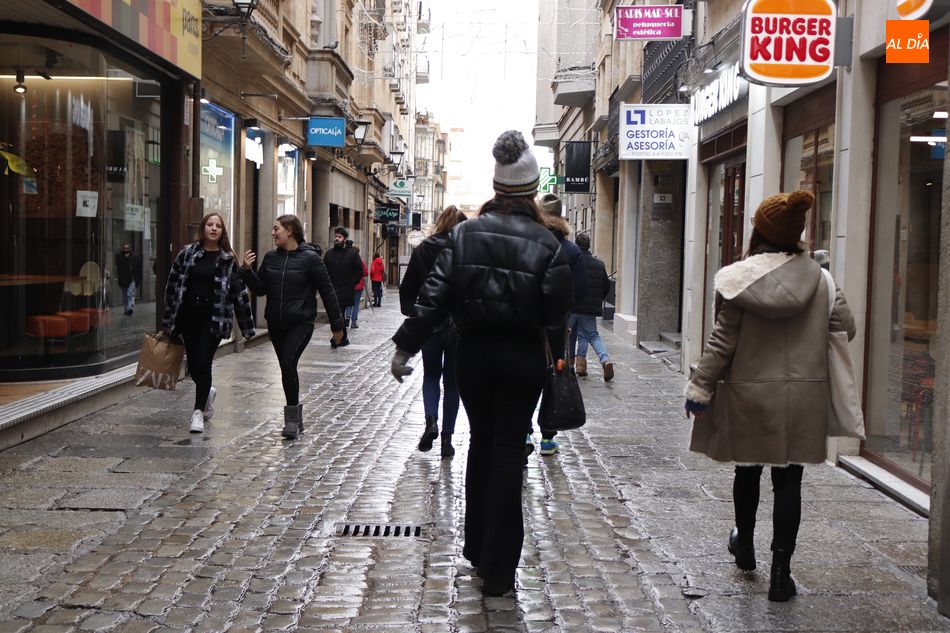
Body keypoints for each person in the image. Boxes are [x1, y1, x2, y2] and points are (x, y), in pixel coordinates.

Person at [391, 130, 573, 596]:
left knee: (482, 445)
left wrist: (405, 347)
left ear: (497, 188)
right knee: (510, 450)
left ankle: (476, 547)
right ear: (531, 191)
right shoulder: (549, 245)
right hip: (523, 360)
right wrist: (560, 365)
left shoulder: (464, 235)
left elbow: (432, 299)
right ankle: (500, 566)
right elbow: (556, 317)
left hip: (472, 355)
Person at [683, 190, 855, 603]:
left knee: (748, 469)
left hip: (750, 395)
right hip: (804, 399)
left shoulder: (740, 279)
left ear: (759, 230)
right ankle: (781, 574)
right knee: (789, 481)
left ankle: (744, 546)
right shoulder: (822, 279)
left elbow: (722, 340)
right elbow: (846, 328)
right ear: (795, 234)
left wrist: (700, 386)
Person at [241, 215, 345, 439]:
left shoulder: (311, 259)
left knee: (288, 362)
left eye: (276, 228)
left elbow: (327, 291)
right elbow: (260, 290)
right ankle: (296, 420)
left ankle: (291, 421)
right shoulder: (270, 258)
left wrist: (337, 326)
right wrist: (247, 271)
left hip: (301, 322)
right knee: (287, 369)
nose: (273, 232)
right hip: (276, 324)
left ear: (289, 231)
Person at [162, 213, 255, 434]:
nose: (214, 228)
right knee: (194, 365)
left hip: (213, 319)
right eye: (210, 225)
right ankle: (207, 393)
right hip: (188, 317)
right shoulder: (187, 254)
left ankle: (197, 412)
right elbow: (172, 287)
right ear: (203, 228)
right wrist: (168, 320)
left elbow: (239, 294)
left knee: (203, 363)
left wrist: (247, 326)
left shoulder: (227, 260)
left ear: (222, 232)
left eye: (218, 226)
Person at [399, 205, 467, 458]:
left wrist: (410, 310)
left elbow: (408, 285)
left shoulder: (424, 247)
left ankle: (431, 423)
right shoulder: (465, 250)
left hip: (429, 322)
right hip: (458, 325)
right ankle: (447, 439)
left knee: (430, 376)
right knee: (453, 383)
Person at [529, 193, 588, 458]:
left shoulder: (531, 242)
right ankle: (548, 439)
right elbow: (582, 289)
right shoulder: (572, 250)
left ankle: (524, 430)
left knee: (530, 376)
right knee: (554, 375)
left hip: (530, 322)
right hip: (558, 324)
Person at [571, 232, 614, 382]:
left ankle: (572, 365)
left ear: (576, 245)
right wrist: (597, 299)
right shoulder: (599, 264)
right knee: (591, 335)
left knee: (567, 334)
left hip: (572, 306)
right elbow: (606, 286)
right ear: (589, 245)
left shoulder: (573, 262)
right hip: (589, 308)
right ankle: (604, 360)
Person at [323, 226, 363, 347]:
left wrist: (351, 283)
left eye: (339, 237)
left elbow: (359, 271)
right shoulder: (329, 254)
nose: (336, 239)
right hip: (332, 290)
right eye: (335, 236)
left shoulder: (352, 254)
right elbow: (323, 271)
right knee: (335, 314)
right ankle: (342, 337)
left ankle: (338, 338)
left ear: (345, 239)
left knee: (339, 313)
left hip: (345, 290)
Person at [115, 243, 142, 316]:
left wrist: (139, 278)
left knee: (130, 293)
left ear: (130, 249)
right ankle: (126, 309)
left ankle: (130, 308)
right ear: (123, 249)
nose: (126, 250)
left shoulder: (135, 257)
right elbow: (119, 265)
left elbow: (139, 268)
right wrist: (125, 258)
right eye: (125, 248)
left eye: (128, 248)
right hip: (123, 279)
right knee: (124, 295)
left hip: (133, 279)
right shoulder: (119, 256)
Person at [348, 245, 369, 329]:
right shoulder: (361, 262)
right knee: (356, 304)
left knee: (348, 303)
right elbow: (365, 273)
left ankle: (346, 319)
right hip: (359, 286)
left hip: (349, 285)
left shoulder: (347, 261)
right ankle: (353, 322)